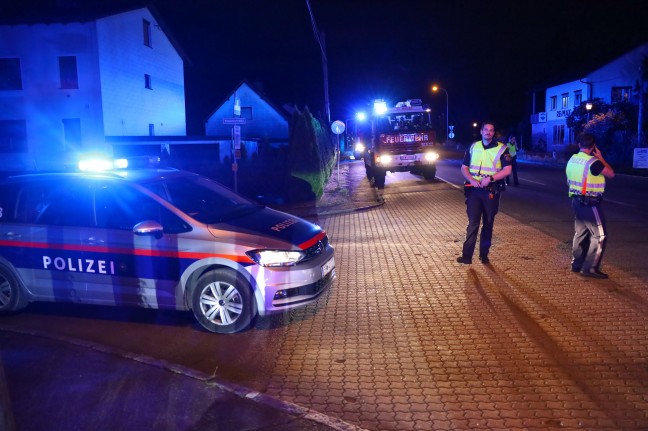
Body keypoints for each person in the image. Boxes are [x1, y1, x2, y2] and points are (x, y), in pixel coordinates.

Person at [456, 121, 513, 264]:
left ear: (494, 133)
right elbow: (464, 167)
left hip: (490, 192)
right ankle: (467, 256)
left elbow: (508, 170)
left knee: (488, 224)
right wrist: (471, 179)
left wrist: (491, 178)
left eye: (491, 130)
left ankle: (484, 254)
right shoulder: (473, 147)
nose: (488, 132)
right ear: (481, 132)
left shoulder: (502, 149)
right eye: (486, 130)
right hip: (474, 190)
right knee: (473, 224)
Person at [566, 133, 615, 278]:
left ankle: (577, 264)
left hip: (576, 201)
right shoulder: (594, 162)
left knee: (581, 233)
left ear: (579, 145)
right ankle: (590, 268)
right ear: (593, 146)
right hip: (590, 203)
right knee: (600, 236)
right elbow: (611, 174)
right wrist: (600, 157)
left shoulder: (573, 159)